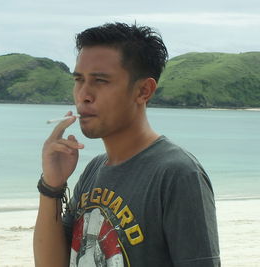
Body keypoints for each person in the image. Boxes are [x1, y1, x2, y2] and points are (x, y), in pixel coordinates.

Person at [33, 22, 220, 267]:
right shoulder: (94, 170)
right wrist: (52, 186)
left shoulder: (178, 174)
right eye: (79, 80)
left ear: (144, 90)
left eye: (100, 81)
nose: (83, 95)